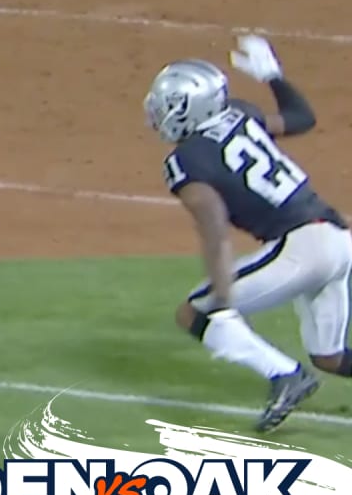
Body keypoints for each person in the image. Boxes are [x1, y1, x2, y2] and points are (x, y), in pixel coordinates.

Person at [144, 34, 351, 432]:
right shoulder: (241, 113)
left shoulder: (186, 162)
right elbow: (301, 118)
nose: (156, 112)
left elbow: (216, 232)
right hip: (339, 240)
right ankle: (292, 373)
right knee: (331, 357)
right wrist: (273, 76)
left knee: (195, 313)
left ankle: (285, 375)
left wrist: (223, 303)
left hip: (302, 248)